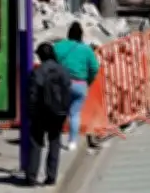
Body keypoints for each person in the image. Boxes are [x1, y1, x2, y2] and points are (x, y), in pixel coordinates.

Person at [26, 43, 71, 186]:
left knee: (36, 143)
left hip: (41, 113)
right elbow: (68, 89)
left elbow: (32, 95)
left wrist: (31, 113)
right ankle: (51, 176)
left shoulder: (38, 72)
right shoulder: (63, 70)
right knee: (54, 142)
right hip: (58, 113)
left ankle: (31, 177)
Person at [53, 22, 99, 152]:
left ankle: (54, 140)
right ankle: (72, 142)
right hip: (80, 85)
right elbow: (94, 68)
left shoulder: (58, 47)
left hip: (62, 84)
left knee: (59, 113)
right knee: (74, 114)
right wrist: (87, 82)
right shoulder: (87, 50)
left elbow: (52, 64)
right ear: (81, 35)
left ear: (68, 34)